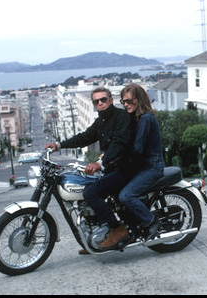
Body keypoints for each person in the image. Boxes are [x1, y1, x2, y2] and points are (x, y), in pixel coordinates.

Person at [45, 87, 133, 251]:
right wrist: (59, 145)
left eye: (103, 100)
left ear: (111, 100)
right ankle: (97, 238)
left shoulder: (122, 117)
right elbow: (84, 138)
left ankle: (117, 229)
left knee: (91, 193)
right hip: (111, 169)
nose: (100, 103)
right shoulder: (101, 121)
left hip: (125, 168)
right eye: (96, 101)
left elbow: (119, 143)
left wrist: (100, 163)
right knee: (86, 189)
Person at [118, 83, 164, 241]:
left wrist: (117, 159)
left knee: (126, 196)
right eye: (123, 101)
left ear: (138, 99)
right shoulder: (136, 119)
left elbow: (137, 149)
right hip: (143, 166)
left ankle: (151, 222)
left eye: (129, 101)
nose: (126, 104)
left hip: (152, 167)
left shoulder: (146, 119)